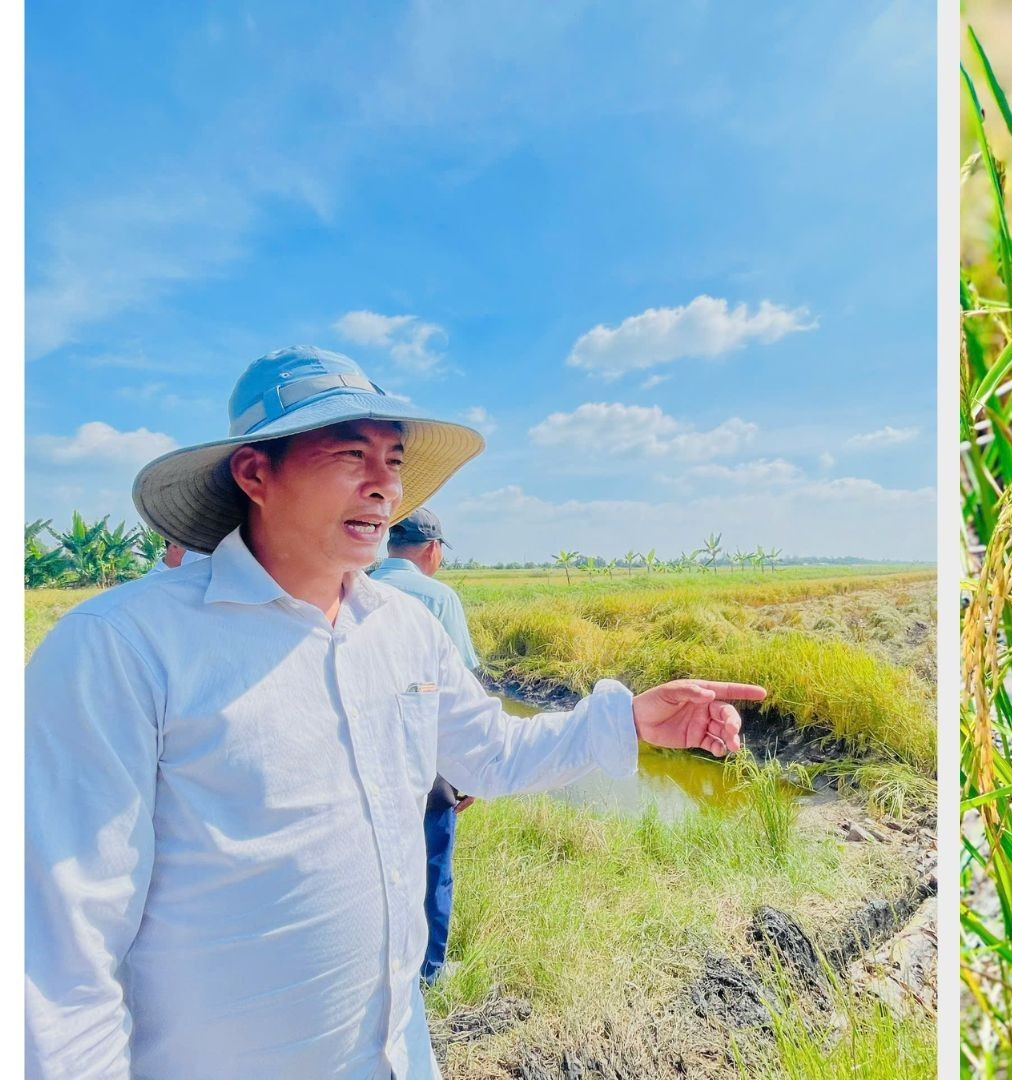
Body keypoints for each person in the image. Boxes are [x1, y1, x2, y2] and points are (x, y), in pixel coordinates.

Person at [25, 346, 763, 1078]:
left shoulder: (403, 629)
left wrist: (629, 720)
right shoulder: (123, 646)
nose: (385, 487)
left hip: (393, 1054)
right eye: (352, 455)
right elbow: (61, 947)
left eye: (396, 462)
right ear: (255, 472)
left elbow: (493, 756)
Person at [369, 508, 479, 985]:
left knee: (371, 866)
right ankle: (430, 970)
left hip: (362, 752)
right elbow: (461, 697)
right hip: (427, 759)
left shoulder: (353, 585)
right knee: (433, 862)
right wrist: (469, 772)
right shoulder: (439, 598)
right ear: (432, 550)